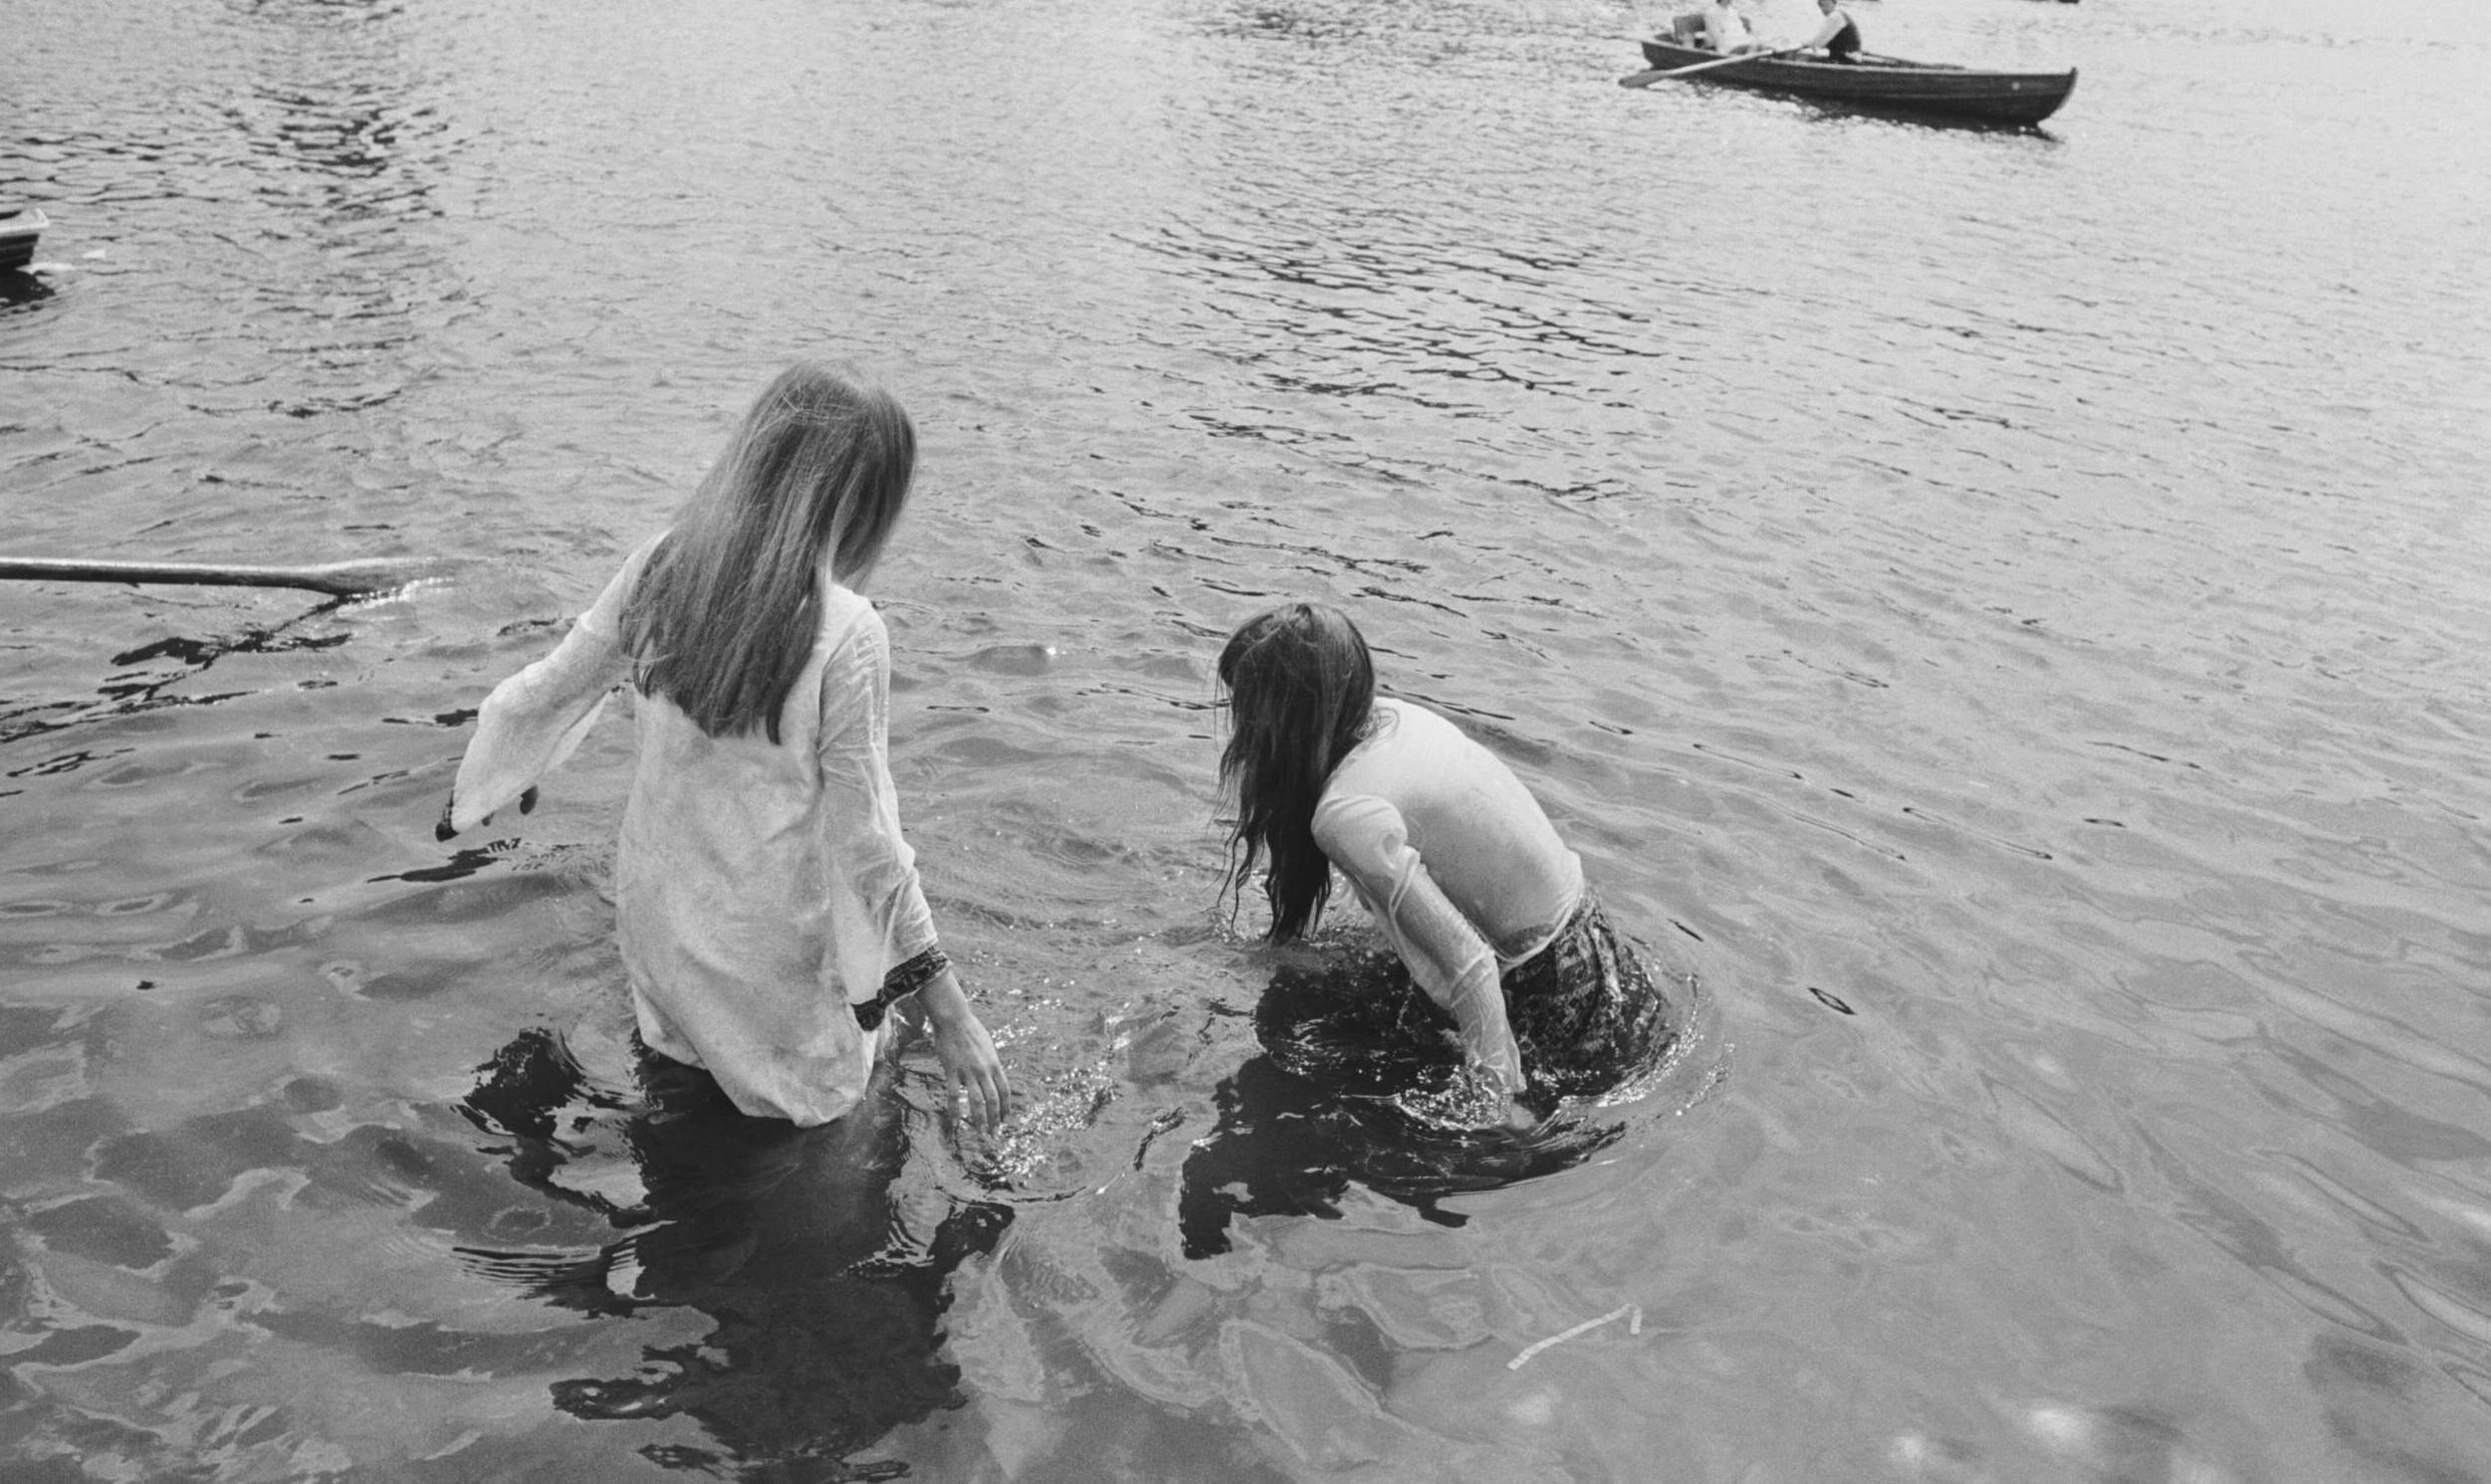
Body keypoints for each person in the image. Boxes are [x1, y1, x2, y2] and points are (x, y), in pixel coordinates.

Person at [439, 361, 1011, 1132]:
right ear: (860, 505)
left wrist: (509, 766)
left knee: (682, 1118)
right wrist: (949, 1009)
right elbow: (869, 844)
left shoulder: (665, 562)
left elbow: (554, 684)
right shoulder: (848, 634)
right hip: (760, 959)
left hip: (659, 927)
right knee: (839, 1146)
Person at [1214, 603, 1678, 1131]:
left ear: (1282, 722)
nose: (1241, 733)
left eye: (1246, 709)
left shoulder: (1346, 814)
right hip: (1597, 948)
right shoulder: (1393, 719)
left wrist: (1492, 1097)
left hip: (1552, 1000)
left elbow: (1472, 965)